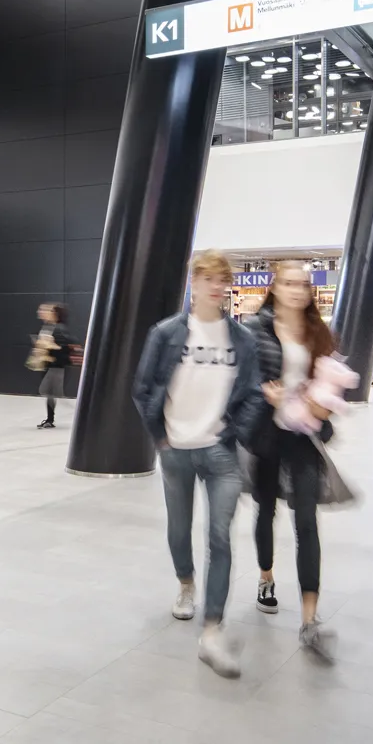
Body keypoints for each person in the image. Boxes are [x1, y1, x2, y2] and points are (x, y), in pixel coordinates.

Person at [132, 250, 263, 679]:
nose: (216, 286)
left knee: (220, 536)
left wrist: (235, 430)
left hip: (221, 450)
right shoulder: (166, 333)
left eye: (223, 279)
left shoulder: (241, 339)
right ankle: (186, 584)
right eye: (208, 278)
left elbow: (254, 392)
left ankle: (212, 627)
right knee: (178, 526)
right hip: (176, 449)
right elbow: (143, 387)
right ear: (194, 282)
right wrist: (160, 436)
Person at [244, 261, 345, 657]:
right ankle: (266, 576)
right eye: (289, 283)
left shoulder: (318, 332)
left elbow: (332, 380)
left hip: (304, 436)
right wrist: (263, 393)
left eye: (303, 284)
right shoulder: (256, 329)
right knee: (265, 509)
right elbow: (245, 377)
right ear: (275, 288)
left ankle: (309, 618)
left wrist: (324, 404)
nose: (297, 290)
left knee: (306, 521)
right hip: (267, 433)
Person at [28, 303, 75, 429]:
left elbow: (67, 345)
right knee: (49, 392)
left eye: (45, 311)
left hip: (56, 366)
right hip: (49, 364)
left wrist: (53, 347)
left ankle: (71, 409)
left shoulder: (58, 328)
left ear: (54, 314)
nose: (41, 313)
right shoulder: (48, 327)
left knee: (46, 390)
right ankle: (50, 419)